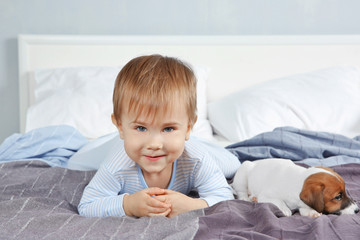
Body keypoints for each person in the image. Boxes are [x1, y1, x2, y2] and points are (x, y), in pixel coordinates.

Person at [78, 54, 234, 218]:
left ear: (188, 128)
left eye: (168, 129)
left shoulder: (196, 159)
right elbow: (88, 205)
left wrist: (192, 205)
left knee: (231, 164)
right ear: (120, 127)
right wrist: (128, 205)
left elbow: (225, 198)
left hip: (195, 147)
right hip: (109, 145)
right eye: (140, 128)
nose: (154, 144)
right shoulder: (117, 165)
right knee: (78, 161)